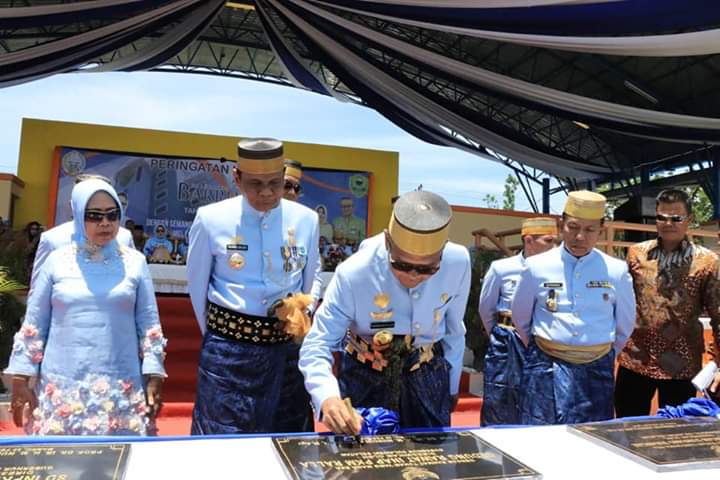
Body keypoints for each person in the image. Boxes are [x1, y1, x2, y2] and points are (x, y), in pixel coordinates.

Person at [300, 190, 471, 435]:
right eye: (401, 265)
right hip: (366, 377)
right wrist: (327, 397)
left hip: (427, 376)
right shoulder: (355, 273)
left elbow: (455, 329)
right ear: (388, 241)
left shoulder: (459, 262)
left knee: (431, 465)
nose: (413, 276)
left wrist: (451, 387)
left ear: (443, 251)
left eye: (427, 269)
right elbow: (318, 342)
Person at [4, 179, 166, 435]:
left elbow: (149, 323)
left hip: (120, 381)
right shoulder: (57, 260)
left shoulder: (135, 262)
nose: (105, 223)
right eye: (94, 216)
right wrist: (21, 378)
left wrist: (154, 374)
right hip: (63, 380)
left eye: (112, 215)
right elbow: (35, 323)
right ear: (79, 216)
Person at [187, 138, 321, 434]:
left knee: (286, 436)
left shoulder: (306, 220)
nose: (266, 192)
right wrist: (222, 335)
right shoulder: (211, 219)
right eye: (255, 184)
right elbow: (197, 287)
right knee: (223, 437)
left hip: (284, 350)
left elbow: (309, 280)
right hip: (228, 352)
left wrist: (296, 316)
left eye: (275, 183)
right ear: (237, 177)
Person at [510, 191, 636, 425]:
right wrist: (547, 345)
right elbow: (521, 317)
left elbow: (625, 323)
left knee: (593, 437)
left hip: (596, 368)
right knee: (540, 433)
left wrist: (598, 351)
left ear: (602, 229)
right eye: (573, 227)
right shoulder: (536, 266)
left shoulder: (616, 270)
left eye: (589, 230)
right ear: (561, 225)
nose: (580, 236)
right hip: (545, 362)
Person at [615, 189, 720, 415]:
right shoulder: (636, 254)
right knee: (625, 429)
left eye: (676, 218)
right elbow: (621, 302)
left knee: (674, 434)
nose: (668, 223)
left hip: (681, 364)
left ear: (689, 220)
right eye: (661, 217)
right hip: (635, 359)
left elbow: (718, 315)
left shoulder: (707, 262)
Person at [478, 217, 558, 426]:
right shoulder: (502, 268)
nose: (554, 247)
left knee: (539, 401)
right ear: (529, 240)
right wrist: (500, 337)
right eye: (549, 241)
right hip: (507, 341)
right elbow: (486, 309)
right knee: (500, 399)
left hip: (541, 341)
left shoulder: (557, 270)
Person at [31, 174, 135, 288]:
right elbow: (38, 292)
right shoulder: (52, 240)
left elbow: (135, 283)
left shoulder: (124, 237)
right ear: (73, 204)